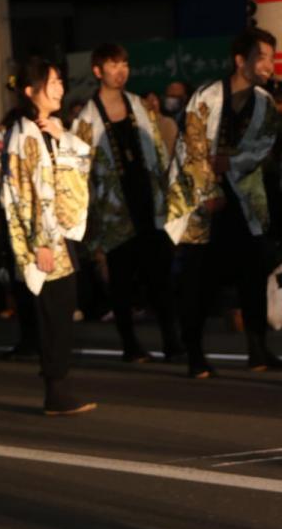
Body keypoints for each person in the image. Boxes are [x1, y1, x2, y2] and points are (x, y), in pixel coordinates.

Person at [166, 27, 279, 375]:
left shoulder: (264, 102)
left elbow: (264, 145)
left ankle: (257, 349)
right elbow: (192, 147)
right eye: (261, 56)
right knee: (200, 280)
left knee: (253, 274)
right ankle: (195, 353)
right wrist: (210, 192)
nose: (269, 65)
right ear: (239, 60)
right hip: (206, 201)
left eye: (271, 58)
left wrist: (234, 162)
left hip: (246, 199)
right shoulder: (207, 95)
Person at [73, 43, 181, 362]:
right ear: (97, 71)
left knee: (159, 277)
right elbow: (81, 172)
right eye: (113, 65)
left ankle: (172, 342)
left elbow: (160, 153)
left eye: (125, 64)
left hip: (148, 203)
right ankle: (130, 345)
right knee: (120, 282)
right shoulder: (86, 118)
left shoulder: (138, 105)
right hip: (112, 212)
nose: (121, 71)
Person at [1, 57, 96, 415]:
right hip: (45, 239)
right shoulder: (23, 132)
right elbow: (24, 192)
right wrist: (39, 241)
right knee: (53, 315)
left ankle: (59, 387)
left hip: (61, 233)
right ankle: (55, 390)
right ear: (31, 91)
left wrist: (64, 137)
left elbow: (84, 162)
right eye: (53, 82)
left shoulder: (49, 128)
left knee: (61, 310)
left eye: (59, 81)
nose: (60, 88)